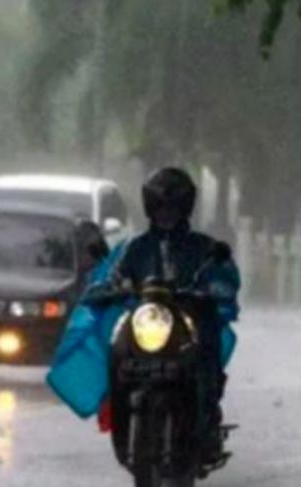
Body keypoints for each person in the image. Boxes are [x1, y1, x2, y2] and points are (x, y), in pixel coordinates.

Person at [80, 167, 239, 469]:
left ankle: (205, 423)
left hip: (187, 323)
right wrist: (106, 288)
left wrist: (215, 288)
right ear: (150, 206)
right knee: (117, 349)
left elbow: (225, 277)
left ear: (186, 207)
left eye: (174, 207)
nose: (167, 213)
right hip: (148, 321)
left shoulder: (203, 247)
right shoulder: (135, 247)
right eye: (161, 206)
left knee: (206, 350)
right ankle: (117, 410)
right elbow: (115, 276)